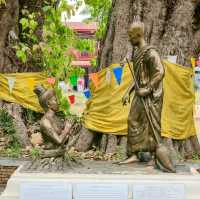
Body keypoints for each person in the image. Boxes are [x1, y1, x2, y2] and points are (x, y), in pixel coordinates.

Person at [120, 21, 175, 172]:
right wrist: (127, 93)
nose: (129, 39)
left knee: (151, 126)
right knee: (132, 119)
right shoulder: (137, 53)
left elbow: (160, 72)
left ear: (138, 35)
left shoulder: (151, 52)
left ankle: (153, 156)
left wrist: (149, 89)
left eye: (131, 36)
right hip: (140, 94)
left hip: (151, 96)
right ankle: (135, 153)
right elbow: (137, 78)